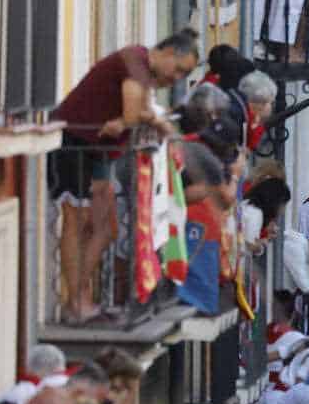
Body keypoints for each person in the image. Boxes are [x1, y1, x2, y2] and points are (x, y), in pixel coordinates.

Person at [48, 32, 197, 323]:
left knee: (106, 229)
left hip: (97, 152)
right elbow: (132, 111)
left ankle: (77, 299)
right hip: (75, 143)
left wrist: (144, 118)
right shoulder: (135, 63)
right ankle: (77, 303)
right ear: (167, 52)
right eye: (179, 69)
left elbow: (134, 114)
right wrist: (151, 120)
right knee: (75, 222)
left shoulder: (142, 71)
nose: (177, 79)